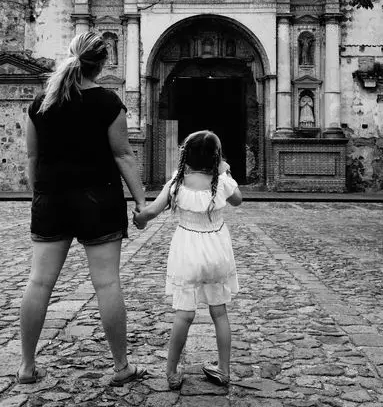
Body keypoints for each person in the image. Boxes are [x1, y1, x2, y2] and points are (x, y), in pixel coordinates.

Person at [18, 31, 146, 386]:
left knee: (38, 282)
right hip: (98, 198)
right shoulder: (108, 102)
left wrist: (39, 196)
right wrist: (140, 202)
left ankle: (27, 366)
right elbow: (123, 155)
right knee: (107, 284)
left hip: (51, 199)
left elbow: (33, 157)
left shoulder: (40, 104)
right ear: (103, 64)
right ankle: (121, 367)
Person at [134, 130, 242, 390]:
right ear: (216, 159)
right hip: (217, 250)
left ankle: (171, 372)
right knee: (220, 312)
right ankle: (224, 370)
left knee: (184, 314)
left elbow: (152, 211)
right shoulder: (222, 181)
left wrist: (140, 218)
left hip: (188, 251)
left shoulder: (177, 183)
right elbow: (238, 200)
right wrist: (224, 171)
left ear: (186, 157)